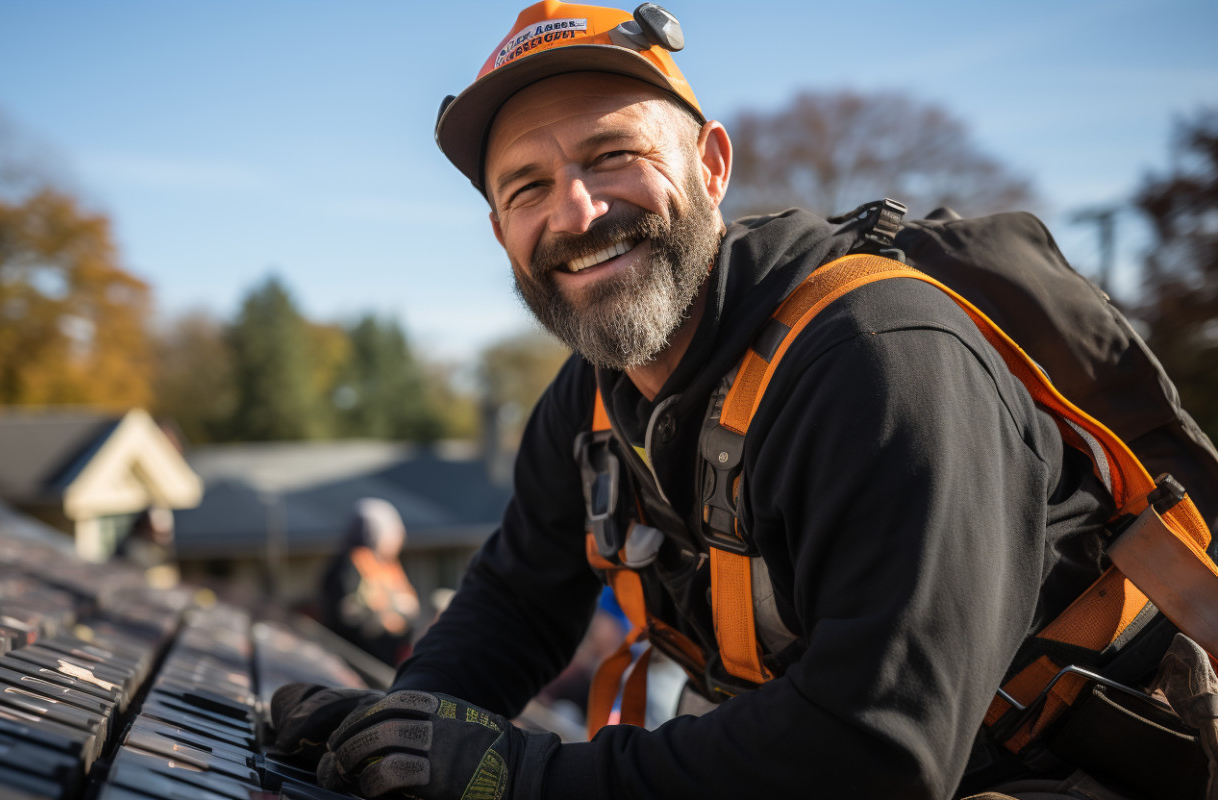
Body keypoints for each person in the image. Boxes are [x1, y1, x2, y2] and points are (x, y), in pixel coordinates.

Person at [272, 3, 1217, 799]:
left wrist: (521, 779)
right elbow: (517, 604)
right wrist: (401, 727)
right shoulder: (592, 404)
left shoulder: (879, 362)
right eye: (528, 186)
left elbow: (878, 747)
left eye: (610, 156)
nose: (576, 212)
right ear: (499, 231)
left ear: (712, 166)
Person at [315, 497, 421, 666]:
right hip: (359, 662)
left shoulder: (387, 566)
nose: (399, 539)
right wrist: (384, 622)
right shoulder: (350, 566)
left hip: (389, 659)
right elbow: (346, 615)